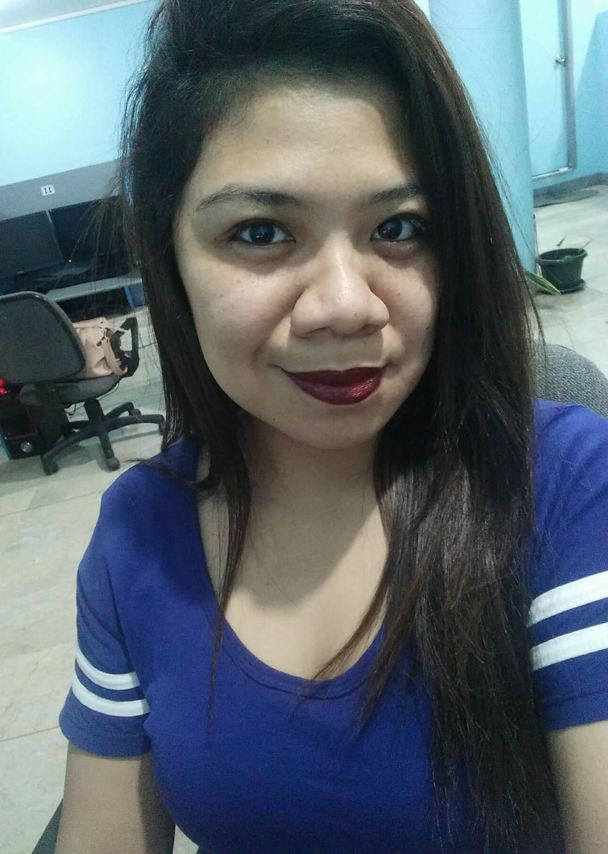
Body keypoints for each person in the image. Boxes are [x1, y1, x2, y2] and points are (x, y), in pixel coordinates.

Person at [55, 1, 608, 852]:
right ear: (170, 263)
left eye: (399, 229)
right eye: (261, 232)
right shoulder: (141, 534)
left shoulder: (562, 487)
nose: (347, 306)